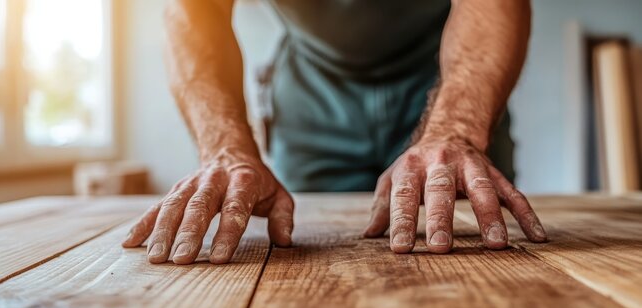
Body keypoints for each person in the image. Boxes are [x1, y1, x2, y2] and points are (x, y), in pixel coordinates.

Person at [122, 0, 548, 264]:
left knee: (485, 252)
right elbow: (196, 11)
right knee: (301, 249)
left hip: (448, 76)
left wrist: (456, 131)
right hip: (312, 91)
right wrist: (225, 149)